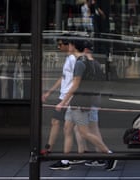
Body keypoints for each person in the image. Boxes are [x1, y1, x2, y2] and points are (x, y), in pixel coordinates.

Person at [49, 37, 117, 171]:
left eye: (69, 45)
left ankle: (109, 154)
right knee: (67, 129)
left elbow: (75, 85)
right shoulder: (88, 61)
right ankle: (65, 160)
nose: (67, 47)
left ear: (74, 46)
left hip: (79, 102)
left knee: (84, 132)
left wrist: (62, 102)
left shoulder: (80, 63)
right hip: (77, 102)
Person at [42, 36, 88, 165]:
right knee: (73, 127)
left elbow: (76, 81)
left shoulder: (74, 59)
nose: (59, 47)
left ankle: (53, 151)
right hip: (65, 96)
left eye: (60, 44)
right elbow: (63, 77)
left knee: (66, 126)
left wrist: (66, 100)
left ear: (69, 45)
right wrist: (50, 92)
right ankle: (82, 152)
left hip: (68, 97)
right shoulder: (69, 58)